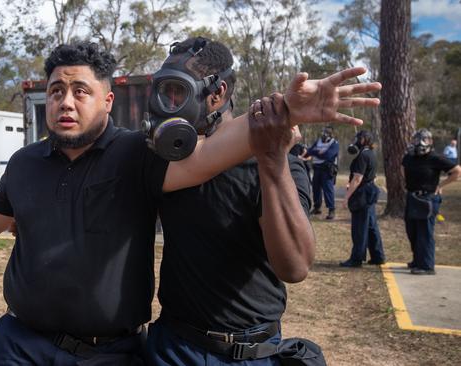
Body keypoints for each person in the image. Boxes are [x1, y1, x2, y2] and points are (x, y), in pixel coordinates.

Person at [0, 41, 381, 365]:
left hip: (115, 351)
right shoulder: (26, 162)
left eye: (80, 90)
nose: (65, 102)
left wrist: (284, 114)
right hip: (28, 343)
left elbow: (211, 157)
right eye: (55, 91)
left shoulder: (136, 155)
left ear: (108, 100)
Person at [146, 37, 373, 366]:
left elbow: (294, 267)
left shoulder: (277, 162)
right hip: (173, 348)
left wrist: (271, 161)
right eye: (161, 92)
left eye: (176, 91)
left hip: (250, 352)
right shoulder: (168, 163)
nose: (165, 103)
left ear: (218, 93)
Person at [403, 129, 461, 275]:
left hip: (427, 198)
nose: (419, 142)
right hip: (412, 197)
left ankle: (427, 265)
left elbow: (456, 171)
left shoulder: (434, 158)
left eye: (424, 139)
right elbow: (403, 168)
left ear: (430, 142)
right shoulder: (409, 157)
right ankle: (418, 260)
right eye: (416, 139)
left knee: (425, 232)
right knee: (412, 231)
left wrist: (440, 185)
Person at [339, 130, 385, 268]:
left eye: (358, 138)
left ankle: (356, 259)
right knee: (371, 226)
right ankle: (378, 256)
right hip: (369, 191)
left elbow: (357, 178)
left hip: (363, 194)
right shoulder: (371, 154)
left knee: (360, 227)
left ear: (364, 139)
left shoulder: (363, 156)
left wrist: (346, 197)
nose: (356, 140)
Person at [307, 126, 339, 220]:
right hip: (317, 169)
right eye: (323, 132)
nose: (324, 134)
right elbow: (309, 151)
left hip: (327, 169)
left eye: (326, 133)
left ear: (330, 134)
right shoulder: (318, 141)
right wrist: (318, 152)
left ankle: (331, 210)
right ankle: (317, 208)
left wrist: (316, 153)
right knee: (316, 189)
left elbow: (328, 155)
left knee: (328, 190)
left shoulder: (334, 143)